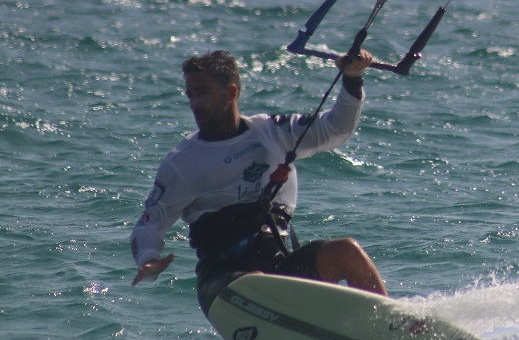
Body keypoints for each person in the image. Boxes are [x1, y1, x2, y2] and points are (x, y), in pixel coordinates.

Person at [131, 49, 387, 316]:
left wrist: (352, 79)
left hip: (278, 271)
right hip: (222, 283)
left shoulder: (271, 132)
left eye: (203, 93)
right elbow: (149, 225)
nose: (195, 103)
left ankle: (393, 325)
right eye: (191, 95)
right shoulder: (182, 163)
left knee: (346, 251)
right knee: (255, 282)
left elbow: (335, 129)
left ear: (230, 93)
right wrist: (148, 259)